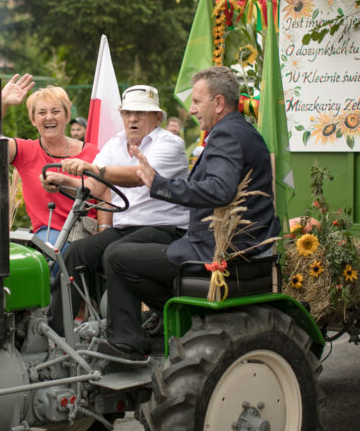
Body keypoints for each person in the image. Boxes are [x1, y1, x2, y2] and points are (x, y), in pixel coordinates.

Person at [102, 66, 281, 358]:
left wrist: (158, 184)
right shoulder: (238, 129)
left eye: (197, 101)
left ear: (218, 103)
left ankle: (129, 343)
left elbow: (219, 190)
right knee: (128, 249)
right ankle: (166, 324)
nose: (193, 109)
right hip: (215, 241)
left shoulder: (227, 135)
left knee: (116, 256)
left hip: (219, 248)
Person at [43, 84, 190, 339]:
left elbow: (140, 176)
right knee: (75, 251)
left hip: (166, 230)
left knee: (116, 253)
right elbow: (95, 186)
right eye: (128, 113)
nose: (132, 119)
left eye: (140, 113)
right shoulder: (115, 143)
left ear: (157, 117)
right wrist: (62, 180)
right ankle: (55, 335)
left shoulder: (170, 144)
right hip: (126, 228)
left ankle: (125, 342)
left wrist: (93, 169)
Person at [0, 74, 99, 249]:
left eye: (55, 111)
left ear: (67, 116)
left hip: (87, 233)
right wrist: (2, 103)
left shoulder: (92, 153)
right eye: (41, 113)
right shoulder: (26, 151)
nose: (49, 117)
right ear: (33, 120)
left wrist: (104, 230)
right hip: (48, 233)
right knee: (53, 249)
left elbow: (105, 195)